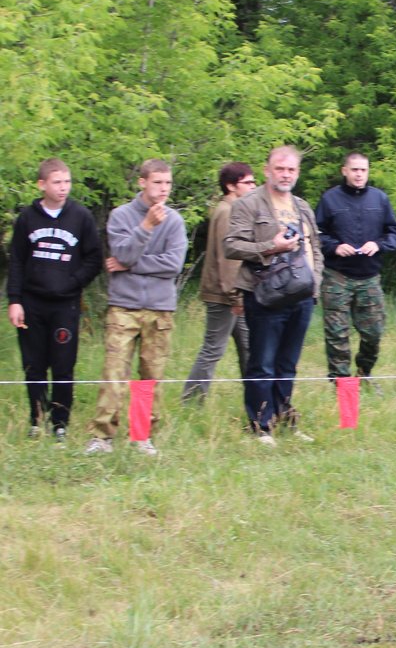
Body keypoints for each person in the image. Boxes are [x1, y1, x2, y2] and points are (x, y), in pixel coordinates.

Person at [85, 159, 188, 456]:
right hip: (124, 307)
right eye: (157, 182)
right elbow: (122, 252)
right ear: (142, 182)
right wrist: (145, 228)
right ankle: (102, 436)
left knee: (149, 375)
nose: (163, 189)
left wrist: (129, 266)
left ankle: (141, 435)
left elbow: (173, 265)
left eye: (168, 183)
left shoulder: (175, 221)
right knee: (114, 372)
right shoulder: (121, 216)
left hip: (160, 309)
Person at [224, 146, 322, 446]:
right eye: (280, 168)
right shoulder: (249, 204)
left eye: (291, 169)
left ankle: (285, 420)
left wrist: (315, 283)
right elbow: (232, 245)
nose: (285, 174)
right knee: (262, 363)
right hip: (264, 296)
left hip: (301, 296)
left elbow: (315, 248)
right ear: (267, 170)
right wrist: (271, 246)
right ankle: (260, 426)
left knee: (288, 364)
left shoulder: (303, 206)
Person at [6, 158, 102, 443]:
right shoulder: (27, 218)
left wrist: (71, 284)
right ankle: (36, 419)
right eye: (57, 182)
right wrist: (15, 300)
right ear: (42, 185)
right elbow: (18, 261)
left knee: (63, 364)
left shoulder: (80, 216)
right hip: (32, 304)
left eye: (67, 182)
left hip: (65, 305)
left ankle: (60, 422)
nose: (63, 188)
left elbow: (94, 258)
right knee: (34, 364)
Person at [315, 152, 396, 383]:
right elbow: (316, 234)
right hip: (337, 277)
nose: (359, 174)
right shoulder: (329, 199)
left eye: (363, 170)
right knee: (336, 334)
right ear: (344, 170)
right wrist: (335, 247)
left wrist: (378, 244)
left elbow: (394, 233)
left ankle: (364, 374)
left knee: (373, 333)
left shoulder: (380, 199)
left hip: (369, 277)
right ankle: (341, 383)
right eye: (354, 169)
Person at [181, 162, 255, 403]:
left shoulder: (235, 208)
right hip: (224, 295)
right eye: (248, 183)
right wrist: (236, 297)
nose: (253, 187)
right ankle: (190, 400)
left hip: (235, 294)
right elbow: (229, 259)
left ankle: (256, 397)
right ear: (231, 186)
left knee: (249, 347)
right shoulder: (228, 211)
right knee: (213, 349)